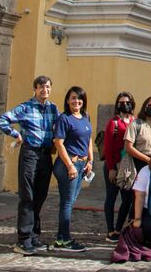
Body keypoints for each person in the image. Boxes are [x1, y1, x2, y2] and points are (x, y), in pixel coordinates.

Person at [0, 75, 58, 255]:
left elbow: (61, 127)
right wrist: (16, 134)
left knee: (40, 196)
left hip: (46, 155)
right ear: (35, 89)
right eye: (41, 87)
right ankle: (23, 239)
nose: (44, 90)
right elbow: (2, 120)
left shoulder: (53, 109)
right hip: (30, 153)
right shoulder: (25, 107)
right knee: (27, 196)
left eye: (47, 87)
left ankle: (34, 236)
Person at [51, 85, 92, 252]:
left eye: (79, 98)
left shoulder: (85, 117)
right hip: (69, 165)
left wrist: (90, 160)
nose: (76, 101)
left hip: (82, 165)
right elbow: (58, 143)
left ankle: (61, 239)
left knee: (70, 202)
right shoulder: (64, 119)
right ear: (67, 100)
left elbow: (88, 140)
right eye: (73, 98)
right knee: (67, 202)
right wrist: (70, 166)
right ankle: (65, 240)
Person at [101, 91, 136, 242]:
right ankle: (110, 231)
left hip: (128, 166)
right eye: (121, 102)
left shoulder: (135, 121)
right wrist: (111, 168)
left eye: (127, 102)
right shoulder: (113, 122)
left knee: (127, 199)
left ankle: (119, 228)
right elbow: (107, 148)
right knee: (111, 197)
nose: (125, 105)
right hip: (114, 165)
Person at [124, 96, 151, 173]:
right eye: (150, 105)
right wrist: (147, 159)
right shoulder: (135, 124)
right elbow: (128, 147)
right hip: (140, 163)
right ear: (145, 107)